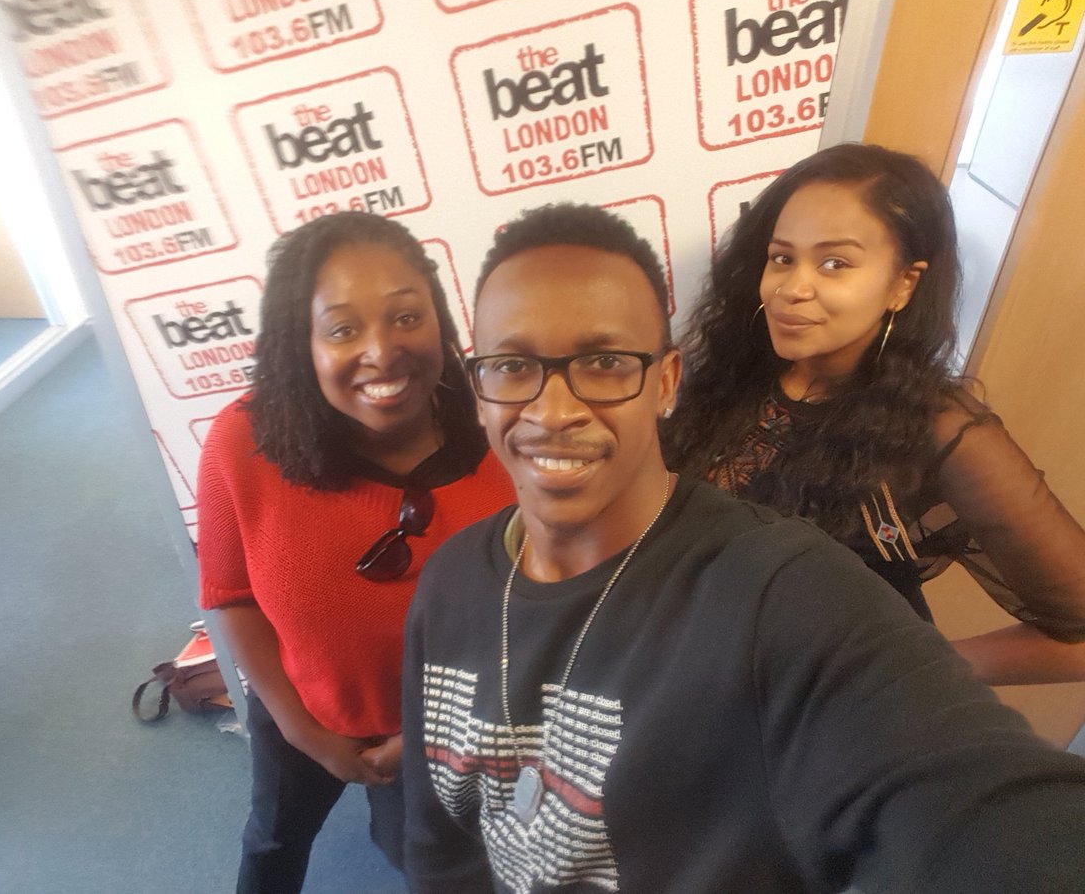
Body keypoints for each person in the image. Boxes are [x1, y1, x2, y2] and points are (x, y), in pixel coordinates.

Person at [401, 202, 1085, 893]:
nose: (553, 411)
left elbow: (988, 812)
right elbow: (440, 848)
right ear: (479, 390)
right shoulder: (450, 581)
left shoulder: (781, 591)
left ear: (666, 383)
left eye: (605, 363)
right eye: (512, 365)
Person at [662, 142, 1085, 686]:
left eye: (834, 263)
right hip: (696, 672)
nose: (792, 288)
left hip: (812, 716)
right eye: (782, 258)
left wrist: (898, 666)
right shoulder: (735, 371)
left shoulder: (940, 429)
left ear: (903, 284)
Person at [196, 212, 514, 893]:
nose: (381, 351)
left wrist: (426, 736)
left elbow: (535, 615)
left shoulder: (504, 436)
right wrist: (302, 730)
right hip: (297, 708)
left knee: (415, 855)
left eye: (406, 317)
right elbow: (230, 597)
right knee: (274, 837)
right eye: (342, 329)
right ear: (302, 342)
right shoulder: (241, 443)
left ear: (439, 318)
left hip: (447, 727)